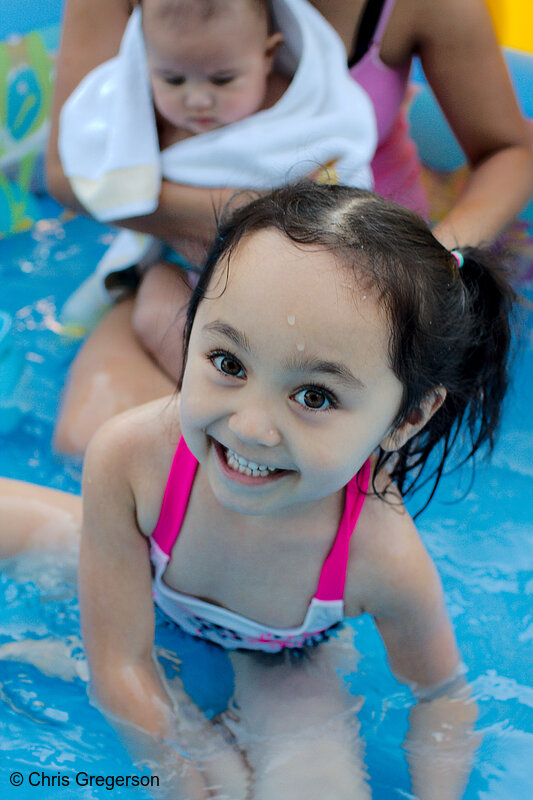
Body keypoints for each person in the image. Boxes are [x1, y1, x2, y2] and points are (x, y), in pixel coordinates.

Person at [2, 183, 516, 798]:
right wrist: (184, 778)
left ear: (407, 418)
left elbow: (442, 698)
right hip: (133, 578)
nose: (248, 426)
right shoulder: (134, 458)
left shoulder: (379, 555)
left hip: (286, 661)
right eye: (228, 362)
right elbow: (120, 662)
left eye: (315, 396)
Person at [46, 0, 532, 454]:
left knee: (322, 454)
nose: (198, 99)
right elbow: (70, 174)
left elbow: (511, 150)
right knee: (93, 445)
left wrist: (432, 259)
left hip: (368, 274)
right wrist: (262, 219)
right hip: (191, 256)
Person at [52, 0, 376, 448]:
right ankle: (230, 401)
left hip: (287, 287)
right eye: (173, 79)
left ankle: (264, 399)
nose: (197, 99)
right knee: (153, 301)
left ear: (268, 54)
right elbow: (81, 174)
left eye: (223, 80)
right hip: (190, 276)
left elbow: (337, 186)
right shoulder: (145, 115)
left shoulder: (300, 108)